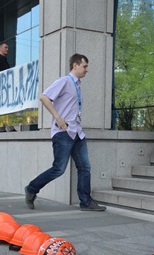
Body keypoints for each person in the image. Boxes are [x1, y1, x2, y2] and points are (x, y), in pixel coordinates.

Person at [24, 53, 106, 212]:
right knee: (59, 169)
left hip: (77, 133)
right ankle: (32, 189)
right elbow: (44, 97)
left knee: (85, 167)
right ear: (75, 65)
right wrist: (58, 117)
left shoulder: (78, 85)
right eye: (84, 66)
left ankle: (86, 202)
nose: (86, 70)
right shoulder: (64, 81)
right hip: (63, 133)